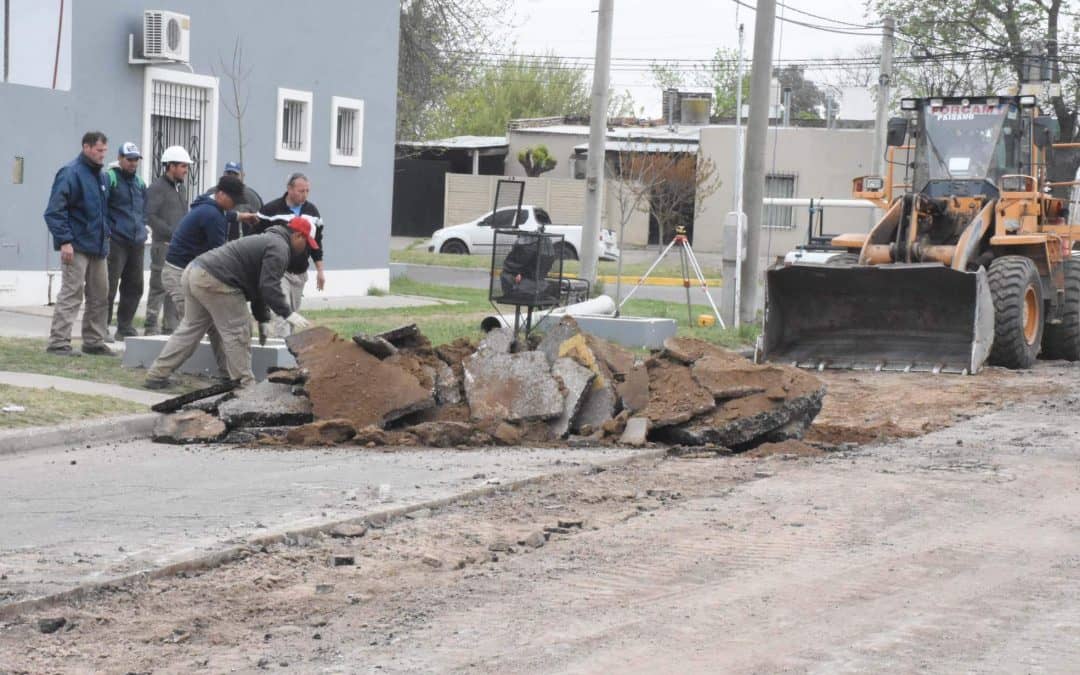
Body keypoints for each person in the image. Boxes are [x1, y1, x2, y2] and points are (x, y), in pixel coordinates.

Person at [144, 217, 317, 389]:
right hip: (217, 279)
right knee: (238, 332)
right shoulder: (280, 248)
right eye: (307, 244)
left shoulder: (269, 240)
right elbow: (269, 286)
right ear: (298, 236)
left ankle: (157, 375)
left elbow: (260, 287)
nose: (305, 250)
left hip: (195, 271)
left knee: (190, 329)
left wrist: (263, 319)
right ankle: (245, 385)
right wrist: (288, 313)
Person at [161, 175, 248, 376]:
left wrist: (240, 217)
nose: (235, 205)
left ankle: (228, 373)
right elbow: (219, 256)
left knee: (215, 324)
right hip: (179, 274)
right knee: (192, 327)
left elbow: (225, 214)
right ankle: (160, 373)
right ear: (221, 194)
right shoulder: (212, 216)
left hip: (187, 271)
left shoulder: (208, 206)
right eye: (233, 200)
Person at [44, 131, 112, 357]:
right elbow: (54, 211)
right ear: (86, 147)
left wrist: (107, 234)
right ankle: (58, 343)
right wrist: (65, 241)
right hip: (76, 246)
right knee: (72, 293)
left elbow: (103, 213)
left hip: (98, 247)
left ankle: (93, 341)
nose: (103, 154)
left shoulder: (102, 177)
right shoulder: (70, 173)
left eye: (105, 150)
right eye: (99, 150)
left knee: (100, 295)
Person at [255, 173, 324, 335]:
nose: (305, 195)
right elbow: (255, 237)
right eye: (301, 191)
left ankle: (288, 347)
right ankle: (281, 346)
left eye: (307, 191)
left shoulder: (312, 211)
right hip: (280, 270)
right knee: (282, 315)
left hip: (300, 272)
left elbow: (317, 243)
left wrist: (320, 270)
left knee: (292, 315)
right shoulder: (271, 210)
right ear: (289, 189)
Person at [144, 145, 192, 335]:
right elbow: (150, 215)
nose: (186, 170)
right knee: (158, 286)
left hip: (178, 247)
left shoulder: (181, 188)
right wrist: (171, 232)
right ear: (171, 166)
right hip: (163, 245)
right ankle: (150, 326)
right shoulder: (157, 188)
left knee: (175, 286)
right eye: (183, 166)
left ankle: (171, 327)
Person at [104, 142, 148, 342]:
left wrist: (143, 228)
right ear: (120, 158)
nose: (133, 163)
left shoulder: (140, 183)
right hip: (116, 240)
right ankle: (102, 327)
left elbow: (144, 209)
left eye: (136, 159)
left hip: (137, 241)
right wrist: (108, 230)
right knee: (109, 285)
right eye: (129, 159)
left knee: (135, 285)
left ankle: (125, 327)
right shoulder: (110, 178)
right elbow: (102, 207)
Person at [222, 161, 263, 240]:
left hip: (243, 242)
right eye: (229, 173)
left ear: (242, 176)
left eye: (235, 174)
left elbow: (260, 221)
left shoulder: (252, 196)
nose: (232, 177)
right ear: (224, 174)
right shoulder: (215, 193)